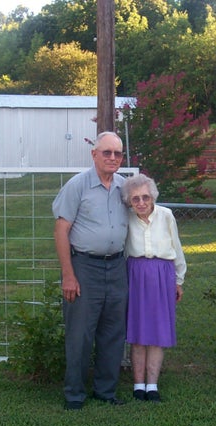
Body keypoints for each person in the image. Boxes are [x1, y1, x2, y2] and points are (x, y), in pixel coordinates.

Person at [52, 131, 129, 410]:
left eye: (117, 153)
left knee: (113, 332)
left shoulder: (125, 188)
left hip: (118, 267)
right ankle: (74, 394)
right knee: (80, 334)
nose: (112, 158)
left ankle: (106, 391)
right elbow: (61, 229)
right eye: (106, 152)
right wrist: (69, 275)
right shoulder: (77, 186)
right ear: (93, 154)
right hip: (84, 266)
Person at [122, 174, 186, 403]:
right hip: (135, 274)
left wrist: (179, 279)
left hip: (162, 274)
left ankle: (153, 385)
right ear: (129, 201)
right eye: (135, 199)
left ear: (153, 197)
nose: (141, 203)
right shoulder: (127, 218)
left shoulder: (166, 215)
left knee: (157, 333)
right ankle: (138, 385)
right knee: (138, 332)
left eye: (145, 197)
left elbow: (176, 247)